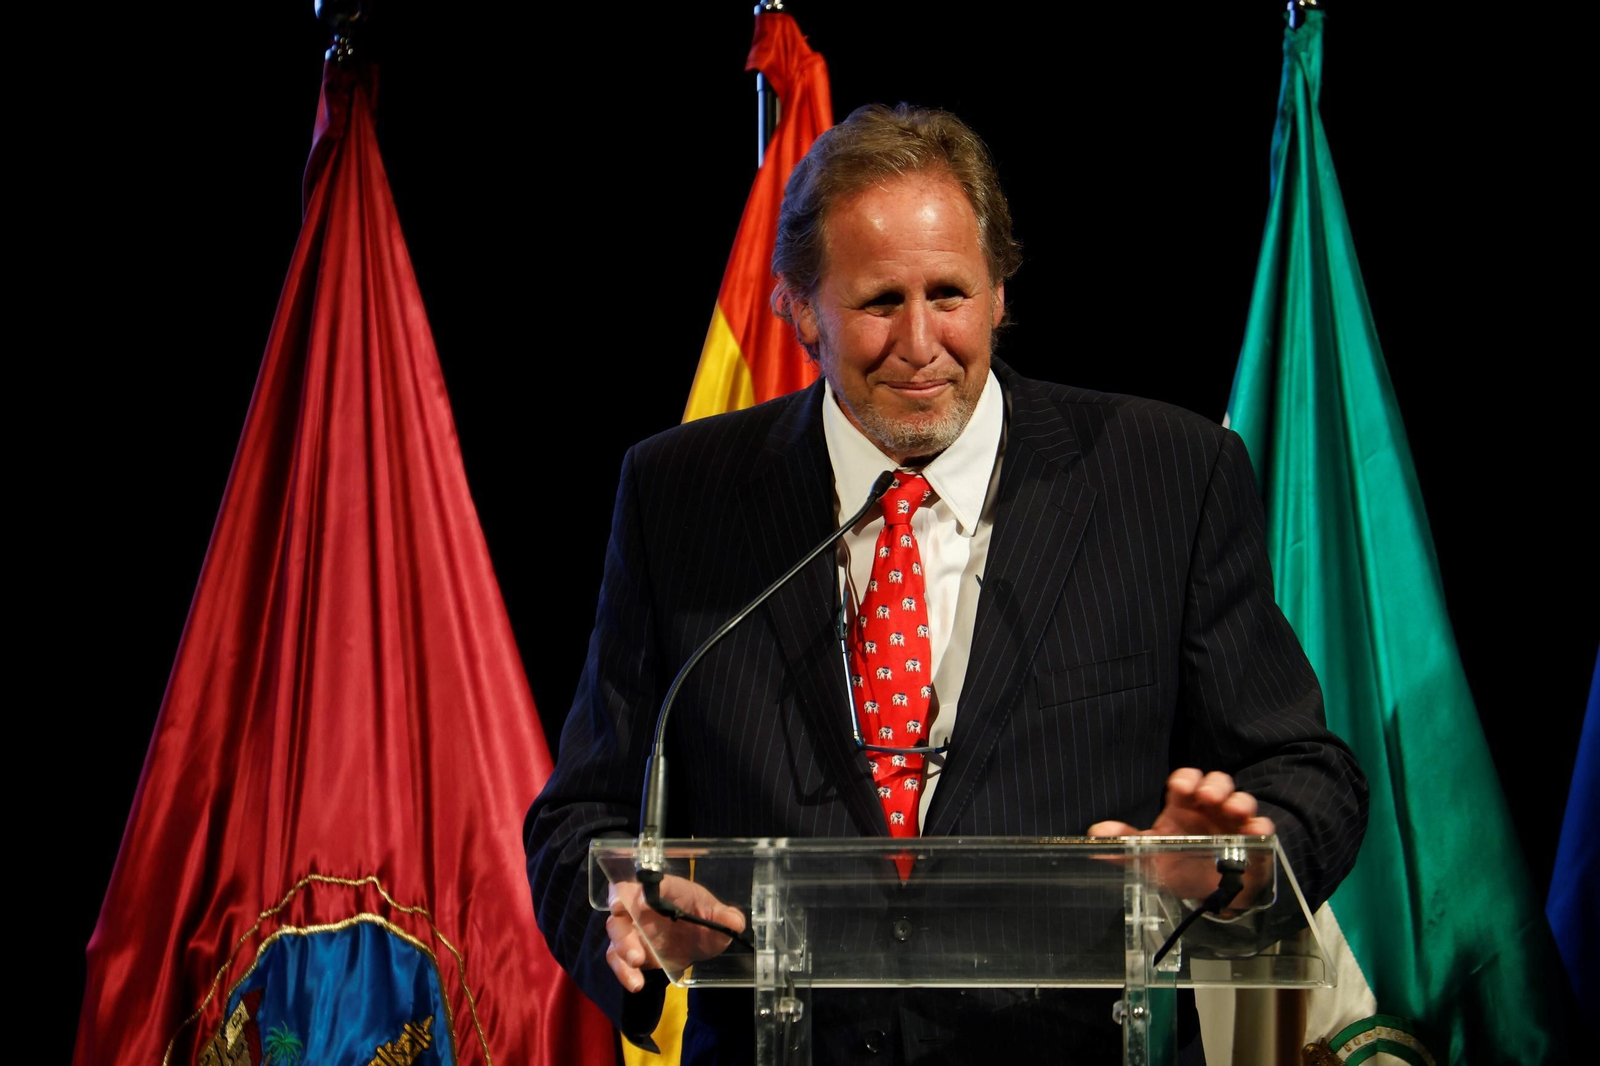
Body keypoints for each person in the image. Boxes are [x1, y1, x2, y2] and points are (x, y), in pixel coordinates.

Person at [525, 103, 1368, 1062]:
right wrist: (626, 915)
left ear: (1000, 292)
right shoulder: (681, 496)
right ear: (798, 309)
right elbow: (579, 815)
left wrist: (1231, 864)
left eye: (951, 294)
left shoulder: (1168, 477)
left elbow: (1311, 774)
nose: (921, 342)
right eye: (880, 301)